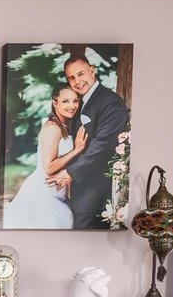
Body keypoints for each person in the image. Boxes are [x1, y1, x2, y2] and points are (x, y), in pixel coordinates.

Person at [47, 51, 131, 228]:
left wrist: (71, 172)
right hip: (78, 191)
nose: (77, 81)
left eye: (80, 74)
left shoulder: (110, 102)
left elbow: (102, 144)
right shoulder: (79, 102)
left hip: (95, 191)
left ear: (92, 71)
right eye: (71, 78)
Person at [2, 85, 88, 229]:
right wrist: (76, 150)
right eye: (65, 101)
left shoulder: (64, 126)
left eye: (75, 101)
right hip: (42, 193)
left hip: (56, 194)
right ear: (55, 103)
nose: (72, 106)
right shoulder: (53, 128)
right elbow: (48, 167)